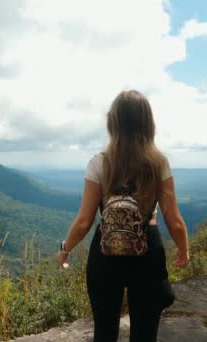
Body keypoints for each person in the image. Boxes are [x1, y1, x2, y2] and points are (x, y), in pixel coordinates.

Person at [55, 89, 190, 342]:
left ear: (112, 123)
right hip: (148, 252)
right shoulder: (158, 163)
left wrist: (66, 248)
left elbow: (84, 221)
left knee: (104, 332)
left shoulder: (99, 163)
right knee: (144, 335)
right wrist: (184, 250)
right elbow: (174, 219)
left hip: (105, 253)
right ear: (148, 124)